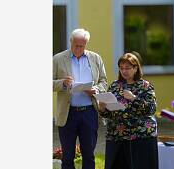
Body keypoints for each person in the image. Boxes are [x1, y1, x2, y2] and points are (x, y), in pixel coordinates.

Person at [53, 28, 108, 169]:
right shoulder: (58, 59)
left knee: (89, 154)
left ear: (86, 44)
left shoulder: (95, 58)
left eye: (82, 46)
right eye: (76, 45)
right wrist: (63, 83)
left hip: (89, 112)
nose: (79, 48)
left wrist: (96, 89)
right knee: (68, 155)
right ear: (70, 42)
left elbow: (103, 81)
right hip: (67, 113)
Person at [98, 52, 158, 169]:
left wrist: (134, 98)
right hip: (117, 135)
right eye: (121, 68)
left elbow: (151, 109)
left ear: (135, 68)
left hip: (140, 136)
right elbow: (109, 114)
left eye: (127, 68)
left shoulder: (145, 86)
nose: (124, 71)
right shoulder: (115, 86)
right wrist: (102, 108)